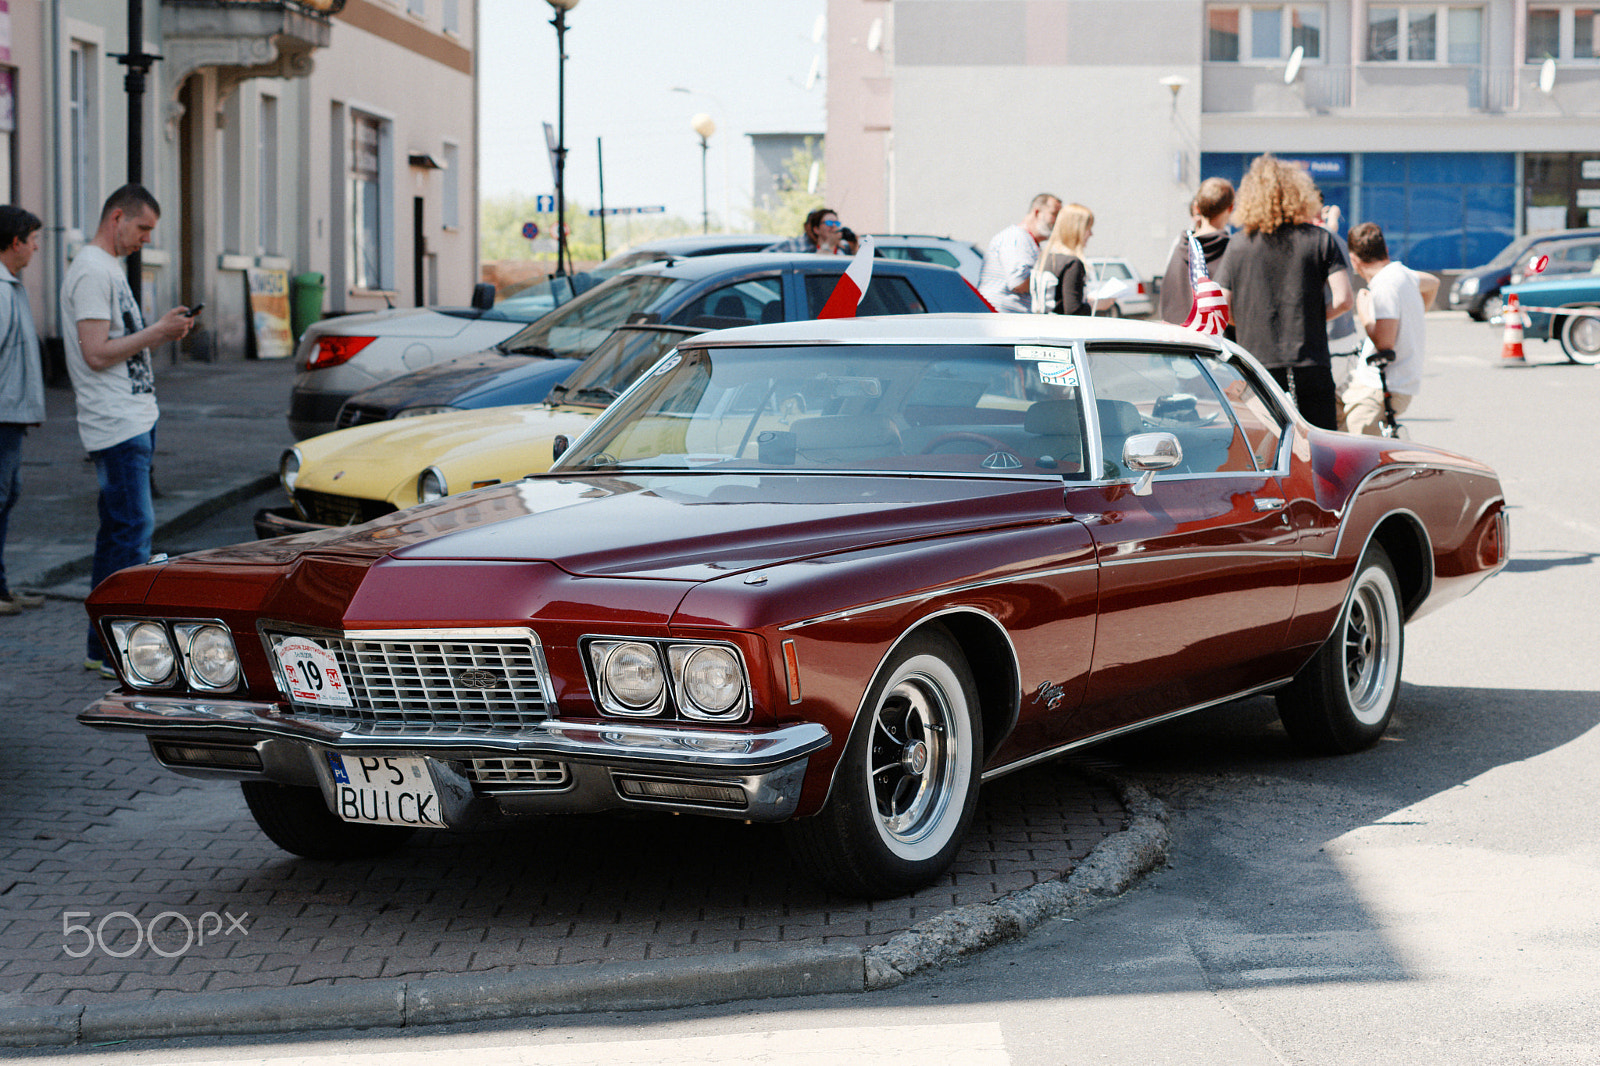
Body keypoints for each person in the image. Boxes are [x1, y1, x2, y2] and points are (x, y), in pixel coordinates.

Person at [61, 184, 195, 674]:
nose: (144, 239)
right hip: (114, 423)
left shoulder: (108, 268)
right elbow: (96, 352)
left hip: (131, 417)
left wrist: (160, 331)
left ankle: (102, 648)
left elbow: (118, 347)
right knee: (132, 533)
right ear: (117, 216)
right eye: (142, 228)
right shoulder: (93, 270)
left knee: (118, 533)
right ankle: (119, 650)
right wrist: (157, 332)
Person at [1214, 155, 1353, 431]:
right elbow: (1344, 299)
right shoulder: (1320, 239)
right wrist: (1311, 317)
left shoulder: (1239, 244)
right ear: (1299, 193)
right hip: (1311, 363)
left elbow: (1221, 308)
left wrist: (1250, 322)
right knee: (1318, 450)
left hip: (1256, 368)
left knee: (1265, 450)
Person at [1341, 221, 1440, 436]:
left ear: (1354, 260)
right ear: (1385, 250)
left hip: (1381, 386)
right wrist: (1414, 317)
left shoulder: (1384, 285)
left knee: (1357, 454)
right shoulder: (1401, 274)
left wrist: (1364, 312)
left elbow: (1384, 343)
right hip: (1393, 382)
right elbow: (1433, 282)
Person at [0, 206, 47, 616]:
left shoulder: (9, 284)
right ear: (15, 242)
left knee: (6, 496)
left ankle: (1, 587)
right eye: (32, 239)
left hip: (11, 414)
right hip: (1, 417)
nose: (36, 247)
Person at [1158, 177, 1233, 326]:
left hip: (1176, 341)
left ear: (1197, 208)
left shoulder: (1180, 247)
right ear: (1230, 208)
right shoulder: (1230, 250)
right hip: (1212, 345)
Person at [977, 193, 1061, 312]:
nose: (1057, 221)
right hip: (1001, 318)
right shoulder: (1016, 238)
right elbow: (1018, 282)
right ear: (1037, 212)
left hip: (1009, 318)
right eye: (1054, 214)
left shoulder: (1027, 240)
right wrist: (1053, 281)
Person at [1030, 203, 1109, 316]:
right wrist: (1097, 305)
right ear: (1076, 230)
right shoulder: (1072, 263)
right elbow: (1073, 311)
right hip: (1063, 330)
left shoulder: (1045, 257)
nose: (1091, 234)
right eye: (1088, 228)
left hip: (1043, 326)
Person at [763, 208, 842, 254]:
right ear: (816, 229)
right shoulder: (796, 246)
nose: (833, 226)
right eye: (829, 223)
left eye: (837, 223)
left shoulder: (842, 251)